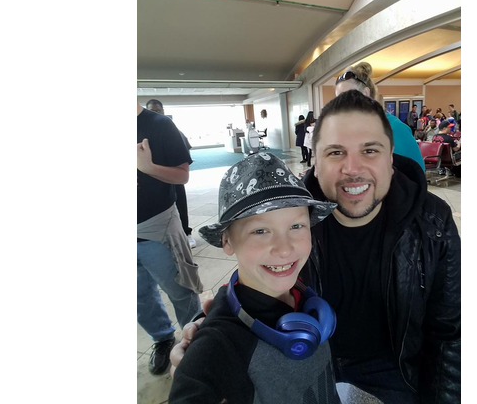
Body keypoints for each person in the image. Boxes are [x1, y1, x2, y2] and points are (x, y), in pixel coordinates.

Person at [173, 90, 461, 403]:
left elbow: (449, 332)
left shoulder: (431, 221)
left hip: (396, 371)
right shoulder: (292, 211)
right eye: (336, 152)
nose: (352, 168)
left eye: (370, 151)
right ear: (316, 160)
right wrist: (213, 329)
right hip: (301, 360)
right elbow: (258, 262)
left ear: (391, 158)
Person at [169, 153, 340, 403]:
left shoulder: (305, 291)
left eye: (296, 226)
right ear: (227, 241)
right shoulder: (219, 342)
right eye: (260, 231)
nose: (284, 249)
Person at [137, 102, 203, 375]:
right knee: (139, 296)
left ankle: (196, 344)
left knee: (180, 290)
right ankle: (162, 338)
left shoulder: (159, 125)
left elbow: (183, 175)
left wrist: (147, 167)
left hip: (157, 227)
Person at [333, 62, 426, 173]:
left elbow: (417, 176)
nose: (341, 105)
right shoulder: (349, 131)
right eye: (338, 99)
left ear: (365, 93)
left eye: (346, 97)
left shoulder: (394, 128)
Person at [146, 99, 197, 248]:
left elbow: (184, 152)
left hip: (173, 175)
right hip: (154, 177)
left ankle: (186, 233)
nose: (155, 114)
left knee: (180, 202)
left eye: (157, 110)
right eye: (151, 111)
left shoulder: (169, 128)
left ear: (163, 110)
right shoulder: (145, 131)